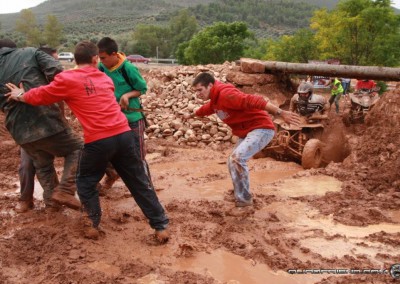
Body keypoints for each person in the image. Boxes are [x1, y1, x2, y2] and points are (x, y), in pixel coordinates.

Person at [6, 41, 169, 242]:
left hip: (99, 140)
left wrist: (20, 95)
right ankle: (161, 226)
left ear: (75, 60)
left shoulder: (66, 79)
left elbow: (42, 96)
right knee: (138, 182)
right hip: (124, 134)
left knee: (85, 182)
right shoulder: (105, 78)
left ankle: (92, 224)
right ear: (94, 60)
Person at [187, 72, 300, 208]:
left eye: (200, 90)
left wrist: (280, 113)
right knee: (232, 161)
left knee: (237, 158)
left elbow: (255, 100)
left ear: (210, 85)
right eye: (196, 91)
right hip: (247, 132)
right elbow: (208, 108)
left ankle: (244, 202)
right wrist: (191, 115)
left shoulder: (226, 94)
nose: (198, 94)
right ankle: (239, 193)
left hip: (261, 129)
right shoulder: (215, 100)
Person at [0, 39, 82, 212]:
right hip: (45, 117)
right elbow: (59, 73)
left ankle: (52, 204)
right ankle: (66, 190)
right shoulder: (29, 52)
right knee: (80, 149)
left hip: (17, 128)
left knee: (42, 164)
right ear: (13, 49)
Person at [96, 37, 151, 194]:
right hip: (112, 120)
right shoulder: (101, 68)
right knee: (106, 153)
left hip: (132, 119)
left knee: (138, 157)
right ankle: (111, 176)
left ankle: (146, 188)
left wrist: (127, 95)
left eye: (104, 58)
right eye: (100, 58)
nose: (102, 61)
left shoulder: (128, 68)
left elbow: (142, 89)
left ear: (114, 54)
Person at [16, 45, 64, 213]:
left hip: (54, 127)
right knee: (27, 165)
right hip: (30, 129)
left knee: (74, 153)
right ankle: (26, 198)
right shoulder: (28, 79)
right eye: (53, 61)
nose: (55, 66)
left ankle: (55, 199)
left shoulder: (57, 82)